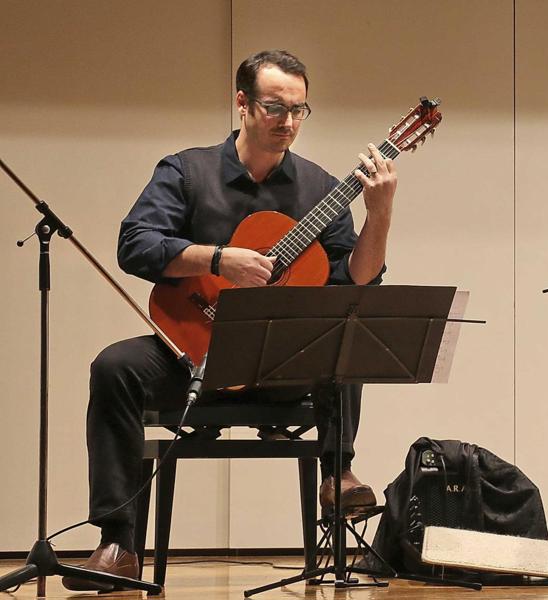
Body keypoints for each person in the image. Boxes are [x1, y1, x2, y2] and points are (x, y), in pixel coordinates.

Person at [63, 49, 396, 591]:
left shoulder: (320, 189)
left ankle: (338, 472)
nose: (288, 122)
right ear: (242, 103)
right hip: (193, 354)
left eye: (299, 110)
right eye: (274, 107)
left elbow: (357, 280)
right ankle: (118, 543)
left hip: (281, 362)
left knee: (346, 333)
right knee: (114, 367)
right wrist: (218, 259)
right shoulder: (187, 171)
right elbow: (135, 244)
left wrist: (379, 211)